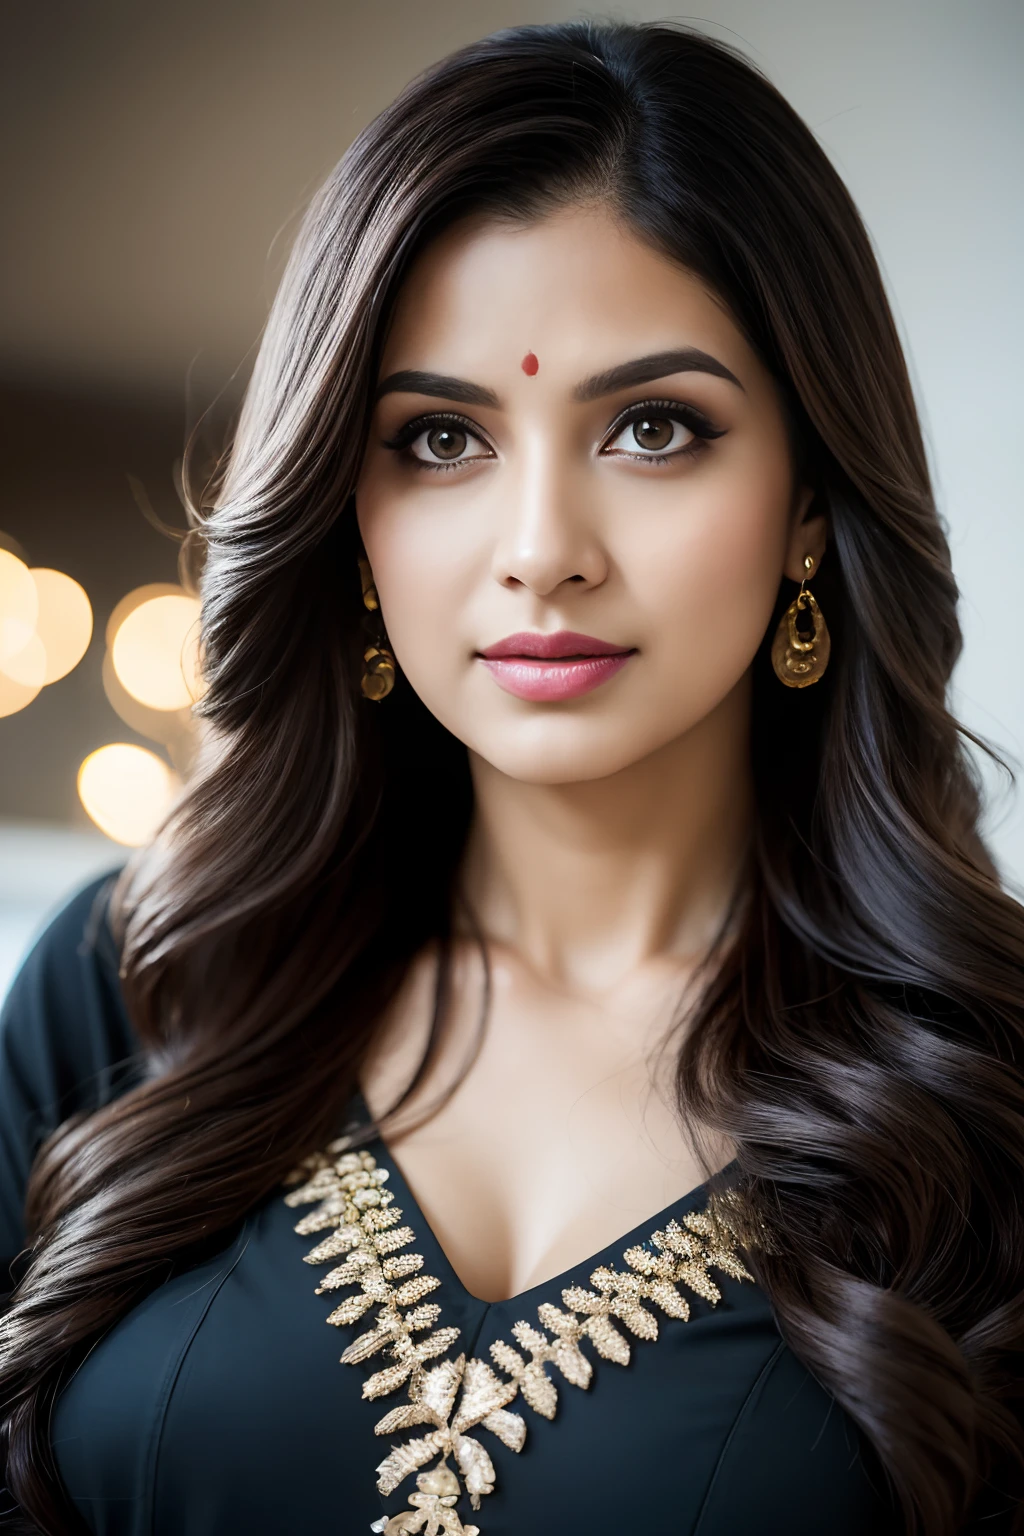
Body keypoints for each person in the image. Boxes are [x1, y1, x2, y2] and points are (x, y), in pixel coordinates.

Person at [1, 17, 1022, 1536]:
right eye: (440, 440)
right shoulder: (142, 983)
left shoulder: (983, 1091)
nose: (543, 547)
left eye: (653, 428)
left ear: (811, 501)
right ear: (347, 510)